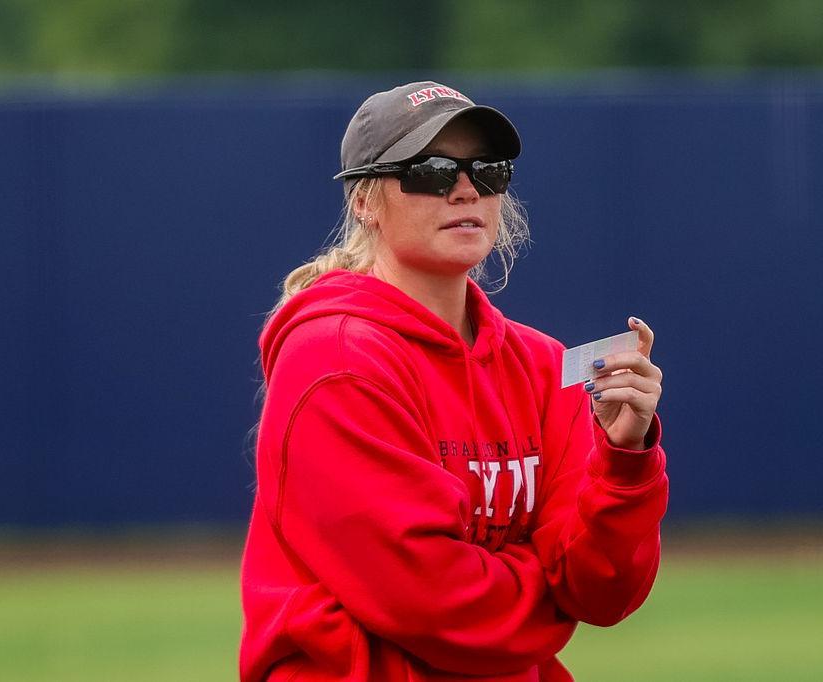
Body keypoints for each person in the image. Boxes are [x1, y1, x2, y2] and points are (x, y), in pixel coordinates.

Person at [240, 81, 668, 682]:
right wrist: (548, 598)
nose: (466, 188)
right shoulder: (333, 358)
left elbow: (602, 591)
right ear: (364, 200)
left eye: (487, 171)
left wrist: (623, 461)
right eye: (432, 171)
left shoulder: (543, 365)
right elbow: (430, 600)